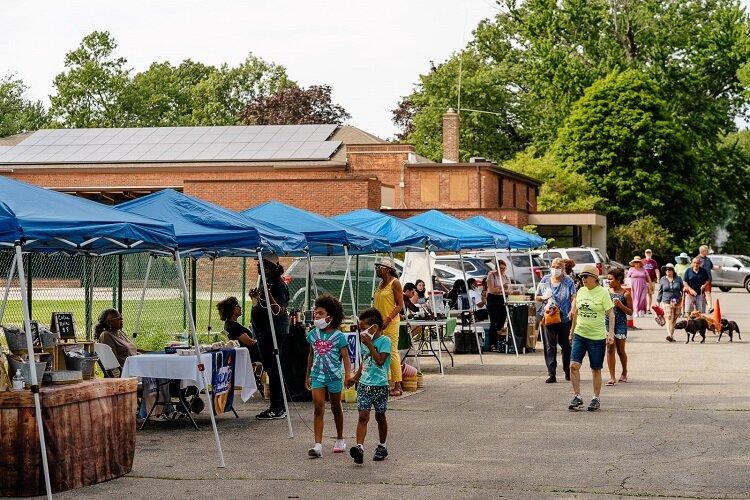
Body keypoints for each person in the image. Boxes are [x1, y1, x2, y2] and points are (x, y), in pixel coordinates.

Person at [305, 294, 351, 458]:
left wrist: (348, 374)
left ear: (330, 317)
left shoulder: (339, 336)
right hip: (317, 376)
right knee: (318, 407)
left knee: (336, 407)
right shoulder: (313, 334)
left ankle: (340, 439)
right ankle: (317, 445)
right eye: (316, 312)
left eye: (320, 313)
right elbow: (311, 355)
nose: (316, 315)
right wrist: (308, 375)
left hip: (334, 377)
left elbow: (345, 357)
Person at [347, 307, 391, 464]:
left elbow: (380, 361)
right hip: (365, 385)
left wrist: (370, 345)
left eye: (364, 329)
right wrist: (355, 378)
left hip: (380, 385)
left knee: (380, 416)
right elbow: (364, 362)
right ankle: (359, 448)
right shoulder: (365, 342)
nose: (361, 332)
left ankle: (382, 446)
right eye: (360, 329)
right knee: (363, 416)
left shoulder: (385, 341)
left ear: (375, 328)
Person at [568, 265, 615, 412]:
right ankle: (577, 396)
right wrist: (572, 331)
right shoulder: (581, 291)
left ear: (595, 278)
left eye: (586, 276)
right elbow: (576, 313)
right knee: (573, 365)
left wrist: (611, 333)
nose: (583, 279)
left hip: (597, 336)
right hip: (580, 334)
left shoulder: (603, 293)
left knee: (596, 368)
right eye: (582, 277)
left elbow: (611, 315)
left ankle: (596, 398)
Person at [251, 253, 290, 421]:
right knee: (271, 368)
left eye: (261, 265)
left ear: (268, 266)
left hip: (274, 331)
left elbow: (279, 311)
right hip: (263, 331)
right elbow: (262, 304)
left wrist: (268, 294)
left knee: (274, 369)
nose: (258, 268)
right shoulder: (265, 281)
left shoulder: (278, 285)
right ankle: (278, 405)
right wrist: (256, 296)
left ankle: (277, 407)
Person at [536, 257, 577, 382]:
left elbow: (573, 297)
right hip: (549, 316)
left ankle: (567, 371)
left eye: (558, 267)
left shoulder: (568, 281)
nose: (555, 269)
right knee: (550, 346)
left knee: (566, 345)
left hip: (564, 318)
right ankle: (551, 373)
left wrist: (572, 310)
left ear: (563, 269)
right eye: (553, 266)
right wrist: (544, 297)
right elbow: (537, 297)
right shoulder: (545, 280)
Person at [372, 256, 405, 397]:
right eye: (376, 268)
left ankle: (398, 384)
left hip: (390, 322)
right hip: (379, 323)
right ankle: (386, 381)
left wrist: (388, 318)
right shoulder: (380, 284)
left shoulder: (395, 283)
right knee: (381, 352)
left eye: (379, 268)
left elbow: (399, 305)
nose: (377, 270)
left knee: (391, 351)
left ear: (388, 270)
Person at [604, 268, 633, 386]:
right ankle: (612, 377)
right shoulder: (606, 292)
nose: (608, 281)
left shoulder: (626, 294)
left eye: (611, 279)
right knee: (610, 348)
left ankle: (624, 372)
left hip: (621, 324)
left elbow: (630, 312)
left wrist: (620, 305)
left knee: (621, 351)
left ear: (619, 279)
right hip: (607, 323)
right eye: (608, 279)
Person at [216, 296, 260, 362]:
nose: (240, 307)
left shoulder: (229, 324)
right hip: (250, 355)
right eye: (238, 305)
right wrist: (262, 343)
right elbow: (249, 342)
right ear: (232, 309)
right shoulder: (233, 326)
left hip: (247, 354)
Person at [486, 260, 511, 352]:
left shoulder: (506, 277)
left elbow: (509, 290)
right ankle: (492, 344)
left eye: (504, 268)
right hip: (493, 300)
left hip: (503, 299)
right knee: (494, 322)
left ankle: (500, 343)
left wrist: (503, 290)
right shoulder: (491, 276)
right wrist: (502, 288)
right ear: (496, 268)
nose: (502, 270)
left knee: (502, 321)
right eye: (500, 268)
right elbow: (492, 290)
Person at [657, 263, 684, 342]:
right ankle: (669, 335)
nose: (668, 271)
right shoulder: (663, 279)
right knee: (668, 317)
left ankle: (671, 336)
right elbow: (660, 291)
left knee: (674, 319)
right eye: (666, 270)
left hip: (677, 301)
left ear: (673, 270)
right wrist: (658, 301)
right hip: (666, 300)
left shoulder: (678, 278)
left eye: (670, 269)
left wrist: (683, 299)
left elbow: (682, 289)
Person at [697, 245, 720, 313]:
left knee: (708, 293)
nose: (707, 252)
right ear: (703, 251)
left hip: (708, 280)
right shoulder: (697, 259)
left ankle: (710, 308)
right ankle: (698, 308)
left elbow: (712, 267)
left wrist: (718, 267)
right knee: (699, 294)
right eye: (707, 251)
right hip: (699, 279)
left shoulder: (708, 259)